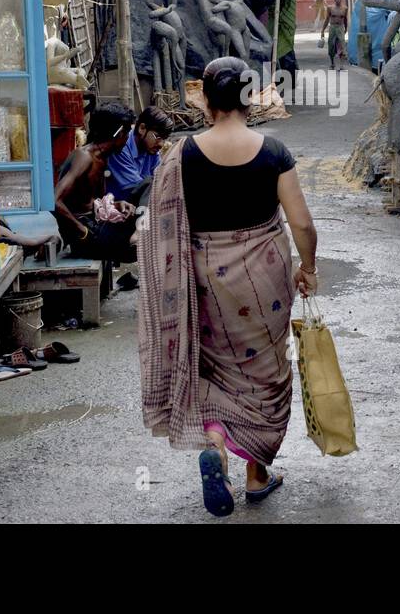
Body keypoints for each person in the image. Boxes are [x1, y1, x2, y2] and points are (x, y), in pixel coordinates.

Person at [138, 56, 319, 517]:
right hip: (265, 282)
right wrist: (309, 267)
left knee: (215, 370)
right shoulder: (274, 150)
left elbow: (156, 226)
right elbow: (301, 223)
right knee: (266, 372)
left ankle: (216, 444)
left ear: (208, 101)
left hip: (204, 279)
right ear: (247, 98)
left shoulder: (181, 154)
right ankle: (257, 475)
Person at [53, 102, 138, 263]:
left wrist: (117, 205)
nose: (127, 139)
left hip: (95, 228)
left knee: (145, 230)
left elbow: (89, 201)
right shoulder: (84, 157)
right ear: (119, 133)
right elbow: (54, 200)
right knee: (147, 186)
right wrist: (82, 230)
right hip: (86, 236)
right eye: (127, 133)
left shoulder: (102, 158)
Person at [106, 106, 171, 206]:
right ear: (142, 128)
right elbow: (138, 190)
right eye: (158, 137)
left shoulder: (151, 148)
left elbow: (160, 179)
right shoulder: (121, 147)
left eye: (164, 139)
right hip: (118, 208)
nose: (161, 144)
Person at [321, 0, 349, 70]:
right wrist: (322, 30)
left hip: (340, 27)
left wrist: (346, 28)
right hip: (332, 27)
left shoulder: (345, 8)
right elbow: (327, 19)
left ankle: (341, 64)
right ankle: (332, 63)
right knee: (331, 45)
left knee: (342, 45)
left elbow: (345, 19)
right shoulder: (330, 8)